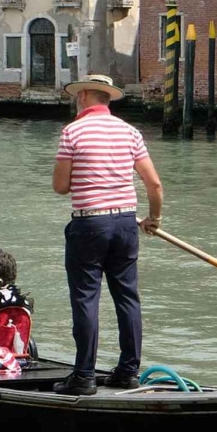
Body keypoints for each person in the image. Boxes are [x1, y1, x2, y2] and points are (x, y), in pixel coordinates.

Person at [50, 74, 163, 396]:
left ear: (84, 95)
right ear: (107, 99)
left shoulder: (72, 132)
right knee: (127, 297)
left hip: (89, 225)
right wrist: (154, 219)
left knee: (86, 299)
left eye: (78, 95)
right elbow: (154, 184)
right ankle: (128, 372)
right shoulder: (130, 132)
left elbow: (60, 186)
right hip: (126, 223)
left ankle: (83, 376)